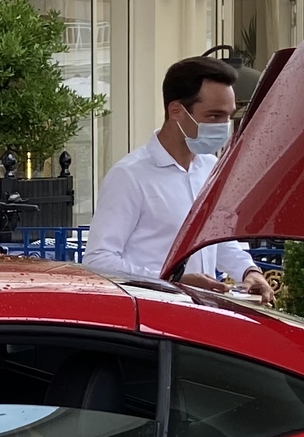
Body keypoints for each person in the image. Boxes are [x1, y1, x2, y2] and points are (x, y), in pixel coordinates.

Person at [84, 55, 270, 296]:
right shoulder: (129, 176)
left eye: (229, 116)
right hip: (149, 319)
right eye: (213, 116)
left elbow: (217, 239)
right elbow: (98, 260)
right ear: (176, 111)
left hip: (203, 314)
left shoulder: (211, 167)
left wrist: (248, 272)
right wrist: (172, 280)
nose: (224, 126)